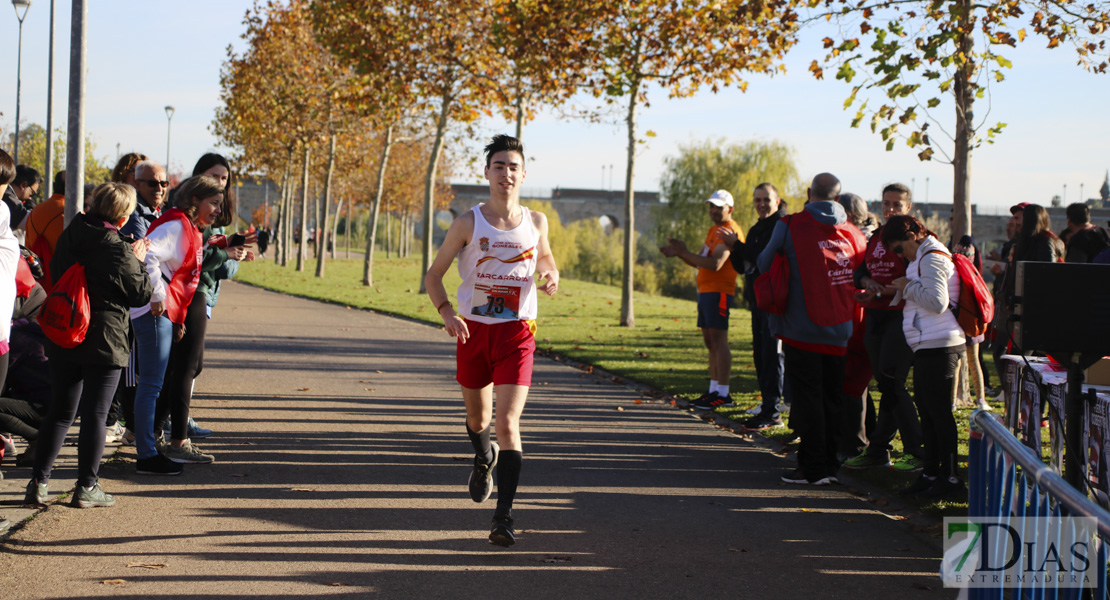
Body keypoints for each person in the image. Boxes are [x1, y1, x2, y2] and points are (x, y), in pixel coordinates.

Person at [424, 134, 558, 547]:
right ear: (487, 173)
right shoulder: (468, 222)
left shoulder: (536, 222)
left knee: (507, 422)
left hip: (517, 331)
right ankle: (483, 458)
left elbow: (547, 256)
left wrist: (551, 273)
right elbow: (434, 275)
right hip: (473, 330)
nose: (506, 173)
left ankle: (504, 517)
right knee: (479, 422)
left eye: (513, 166)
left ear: (523, 174)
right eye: (498, 166)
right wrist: (447, 311)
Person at [23, 183, 153, 509]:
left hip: (65, 330)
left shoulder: (73, 232)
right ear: (122, 219)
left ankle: (38, 482)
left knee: (61, 412)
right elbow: (140, 294)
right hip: (104, 338)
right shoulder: (117, 247)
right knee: (95, 414)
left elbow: (56, 268)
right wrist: (136, 259)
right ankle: (87, 487)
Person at [757, 173, 866, 486]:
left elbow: (764, 264)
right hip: (842, 327)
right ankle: (831, 464)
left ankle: (811, 468)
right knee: (833, 397)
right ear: (838, 196)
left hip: (801, 327)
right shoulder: (854, 233)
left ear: (809, 193)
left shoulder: (790, 224)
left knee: (807, 399)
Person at [131, 175, 224, 474]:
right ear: (195, 200)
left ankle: (148, 448)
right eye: (214, 203)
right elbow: (147, 255)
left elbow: (183, 278)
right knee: (151, 385)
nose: (218, 211)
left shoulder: (190, 228)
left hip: (167, 313)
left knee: (153, 384)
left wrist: (179, 318)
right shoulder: (176, 226)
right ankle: (146, 454)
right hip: (154, 311)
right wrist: (158, 295)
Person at [843, 184, 925, 472]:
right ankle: (879, 450)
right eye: (886, 204)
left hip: (902, 317)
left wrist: (882, 292)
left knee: (893, 382)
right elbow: (862, 271)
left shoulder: (916, 239)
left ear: (908, 208)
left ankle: (916, 450)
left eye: (897, 205)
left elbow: (917, 281)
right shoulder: (878, 235)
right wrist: (868, 285)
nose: (890, 209)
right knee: (885, 383)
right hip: (874, 316)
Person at [885, 215, 967, 499]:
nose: (899, 255)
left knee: (940, 414)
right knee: (930, 415)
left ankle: (952, 478)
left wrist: (907, 287)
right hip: (929, 343)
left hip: (941, 344)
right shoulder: (921, 257)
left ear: (911, 237)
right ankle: (932, 473)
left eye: (898, 248)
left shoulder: (931, 256)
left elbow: (937, 301)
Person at [659, 189, 744, 411]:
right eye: (711, 206)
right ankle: (714, 389)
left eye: (719, 207)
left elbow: (715, 264)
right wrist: (680, 253)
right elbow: (700, 261)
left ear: (730, 209)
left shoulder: (729, 231)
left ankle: (723, 393)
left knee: (719, 340)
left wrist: (684, 252)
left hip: (720, 292)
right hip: (706, 291)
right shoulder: (714, 230)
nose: (714, 211)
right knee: (710, 341)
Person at [720, 184, 787, 429]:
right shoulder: (757, 227)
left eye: (766, 199)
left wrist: (737, 245)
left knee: (772, 356)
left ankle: (773, 412)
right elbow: (744, 265)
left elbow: (763, 258)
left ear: (777, 201)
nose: (761, 204)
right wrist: (735, 248)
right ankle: (766, 407)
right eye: (757, 200)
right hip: (757, 301)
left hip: (774, 303)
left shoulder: (781, 225)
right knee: (760, 355)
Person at [121, 160, 168, 240]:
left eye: (164, 184)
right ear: (137, 184)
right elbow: (146, 250)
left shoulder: (156, 211)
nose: (159, 188)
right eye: (152, 183)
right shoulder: (132, 214)